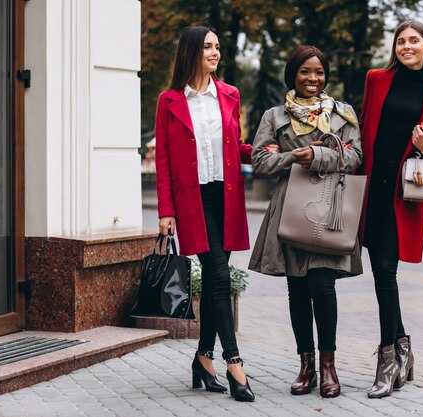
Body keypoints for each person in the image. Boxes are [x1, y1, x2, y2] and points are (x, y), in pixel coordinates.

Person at [248, 45, 363, 398]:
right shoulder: (274, 115)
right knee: (297, 288)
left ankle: (329, 365)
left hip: (330, 208)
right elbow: (259, 161)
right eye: (305, 72)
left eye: (319, 72)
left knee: (322, 286)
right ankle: (306, 364)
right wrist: (293, 158)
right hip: (290, 210)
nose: (313, 79)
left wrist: (319, 154)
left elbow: (356, 156)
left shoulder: (343, 114)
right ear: (293, 75)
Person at [154, 25, 255, 402]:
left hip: (226, 198)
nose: (215, 53)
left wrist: (263, 150)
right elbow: (163, 160)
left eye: (218, 46)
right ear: (192, 52)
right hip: (192, 202)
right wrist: (166, 210)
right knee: (217, 276)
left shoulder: (229, 94)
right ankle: (235, 363)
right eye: (208, 47)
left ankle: (202, 359)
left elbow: (237, 144)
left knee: (215, 284)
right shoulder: (170, 102)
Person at [358, 20, 423, 398]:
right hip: (373, 189)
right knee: (381, 272)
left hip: (405, 193)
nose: (407, 46)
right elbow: (366, 124)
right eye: (401, 41)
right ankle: (404, 350)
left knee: (385, 270)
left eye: (414, 40)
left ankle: (387, 363)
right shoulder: (376, 78)